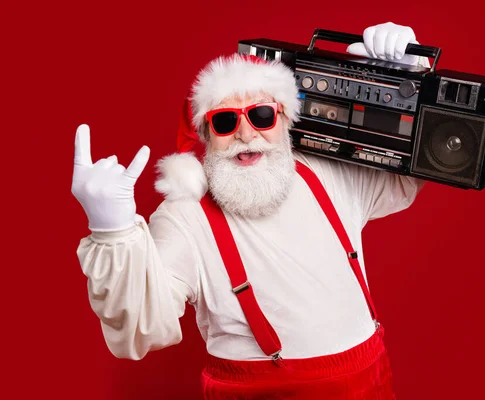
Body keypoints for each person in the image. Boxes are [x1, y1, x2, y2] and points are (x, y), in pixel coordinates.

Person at [72, 22, 430, 399]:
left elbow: (406, 172)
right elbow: (143, 325)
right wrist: (112, 230)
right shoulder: (184, 216)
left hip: (369, 381)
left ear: (285, 121)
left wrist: (402, 75)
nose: (246, 134)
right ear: (207, 136)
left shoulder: (326, 172)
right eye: (226, 121)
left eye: (261, 115)